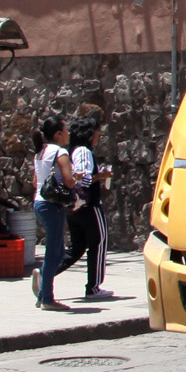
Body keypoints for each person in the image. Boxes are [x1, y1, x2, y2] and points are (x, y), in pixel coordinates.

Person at [54, 117, 113, 301]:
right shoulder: (84, 151)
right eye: (97, 132)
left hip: (74, 207)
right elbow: (85, 179)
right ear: (90, 133)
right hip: (89, 205)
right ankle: (93, 286)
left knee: (77, 247)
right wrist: (101, 175)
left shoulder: (69, 151)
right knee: (99, 242)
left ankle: (46, 273)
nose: (98, 136)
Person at [32, 117, 78, 311]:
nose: (68, 133)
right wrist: (76, 180)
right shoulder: (61, 152)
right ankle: (47, 298)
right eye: (66, 130)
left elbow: (36, 182)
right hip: (52, 205)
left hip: (39, 202)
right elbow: (68, 181)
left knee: (58, 250)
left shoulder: (40, 152)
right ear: (58, 134)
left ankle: (43, 291)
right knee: (54, 252)